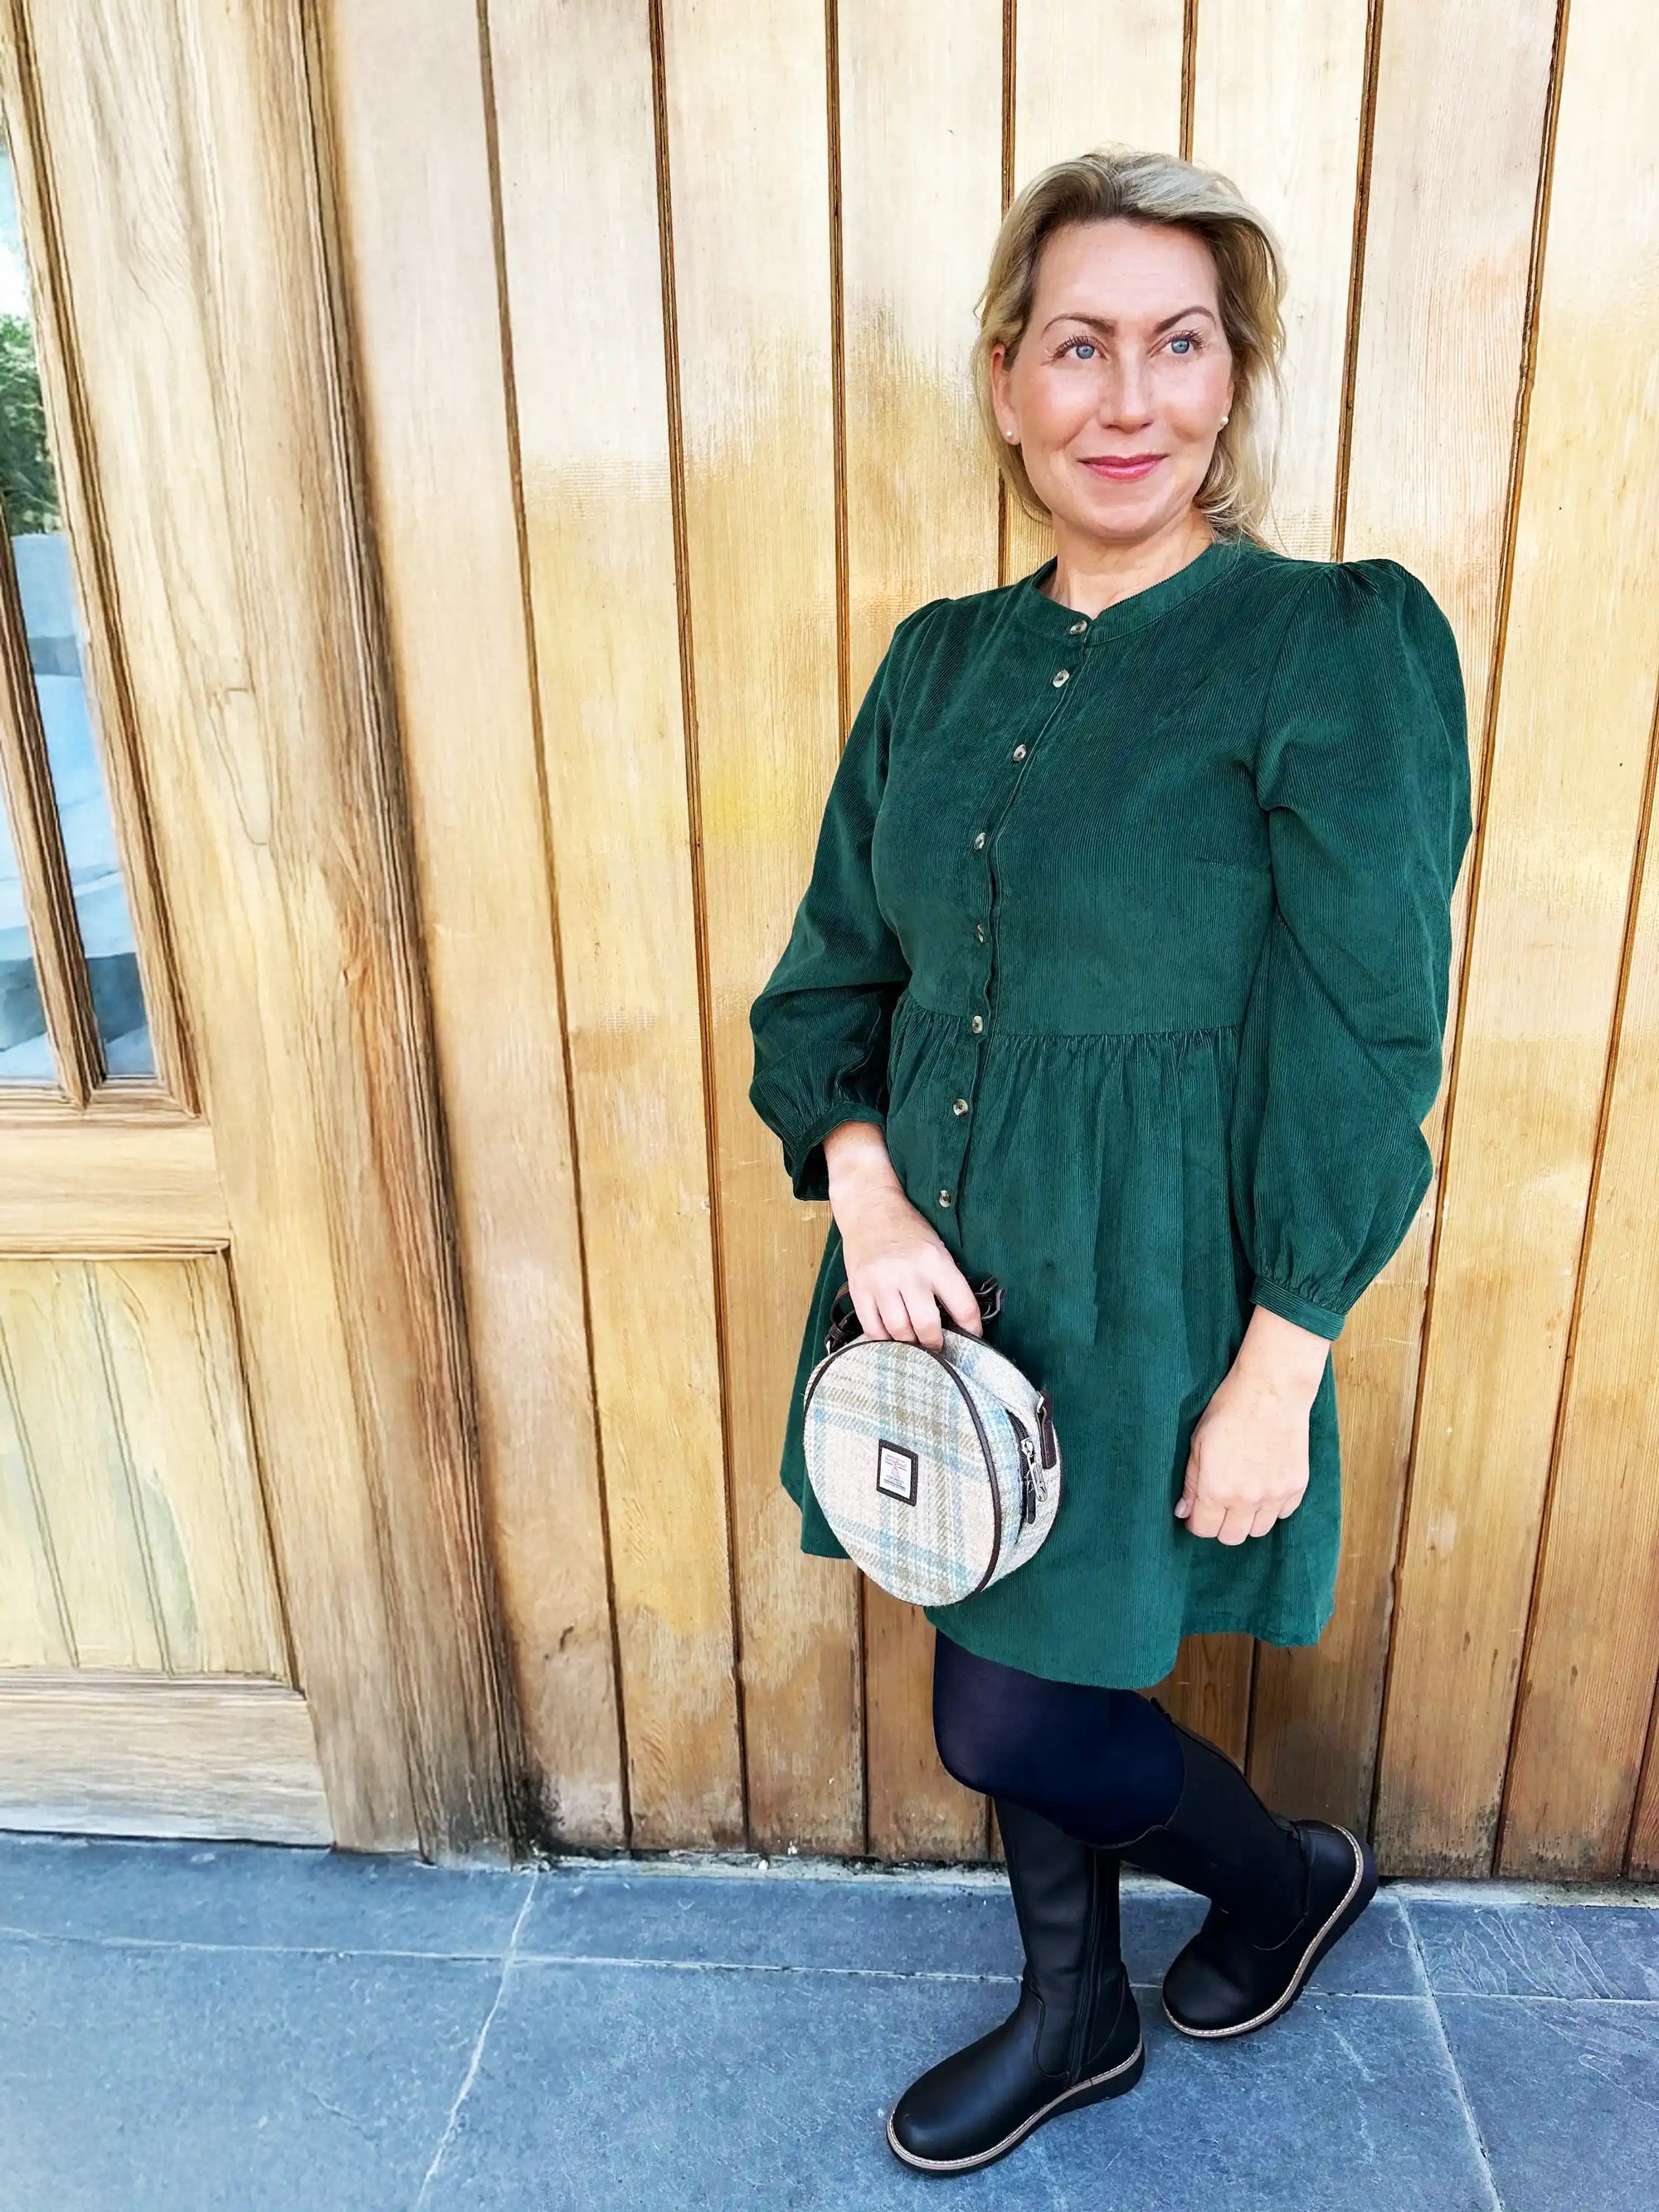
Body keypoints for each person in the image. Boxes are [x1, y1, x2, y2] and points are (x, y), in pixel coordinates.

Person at [747, 143, 1472, 2176]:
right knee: (1004, 1644)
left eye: (1178, 344)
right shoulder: (936, 664)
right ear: (1005, 381)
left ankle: (1272, 1880)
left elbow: (1364, 1033)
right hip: (936, 1281)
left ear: (1231, 382)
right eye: (1079, 346)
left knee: (1012, 1711)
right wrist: (868, 1198)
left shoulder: (1329, 645)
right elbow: (833, 986)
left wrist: (1283, 1353)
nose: (1127, 396)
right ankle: (1076, 2007)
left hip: (1161, 1289)